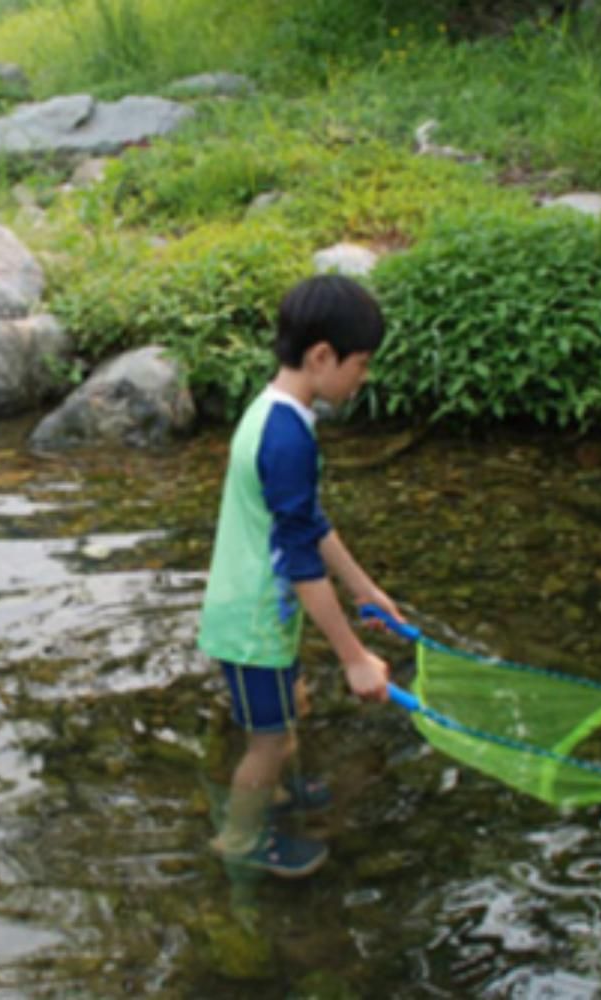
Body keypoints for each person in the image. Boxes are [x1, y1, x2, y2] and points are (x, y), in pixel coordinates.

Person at [197, 274, 404, 878]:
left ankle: (279, 798)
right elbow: (301, 561)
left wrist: (365, 590)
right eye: (360, 364)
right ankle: (238, 840)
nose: (363, 378)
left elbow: (309, 522)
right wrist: (354, 656)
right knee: (272, 742)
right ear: (322, 356)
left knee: (292, 709)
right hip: (253, 623)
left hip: (256, 610)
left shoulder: (278, 415)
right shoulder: (286, 439)